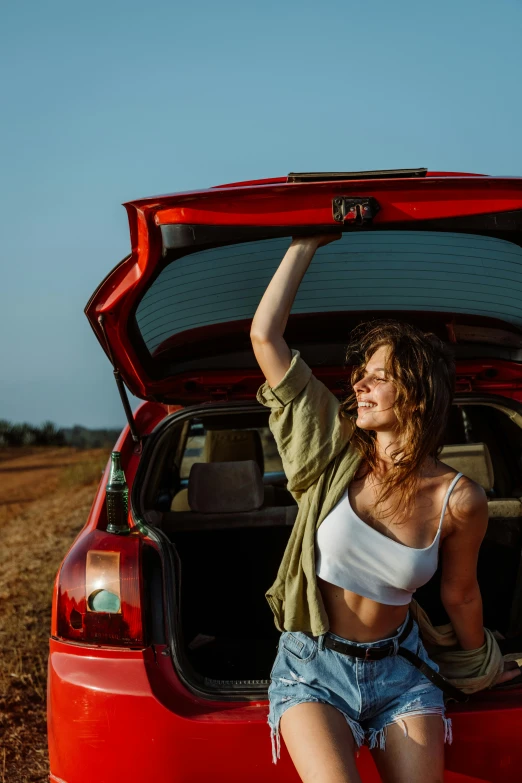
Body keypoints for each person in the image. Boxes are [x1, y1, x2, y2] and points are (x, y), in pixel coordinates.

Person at [250, 235, 519, 783]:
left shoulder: (459, 498)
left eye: (378, 376)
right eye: (361, 373)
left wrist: (478, 667)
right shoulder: (331, 453)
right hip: (313, 669)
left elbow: (460, 594)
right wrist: (305, 243)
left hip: (402, 670)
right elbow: (265, 336)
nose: (359, 384)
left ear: (416, 394)